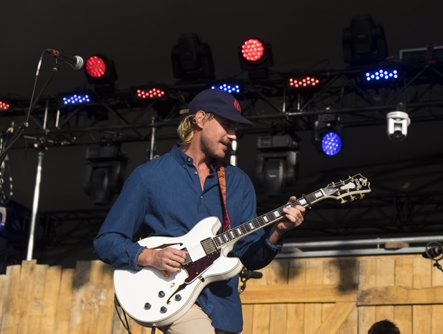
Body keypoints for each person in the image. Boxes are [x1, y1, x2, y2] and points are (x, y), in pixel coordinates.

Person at [93, 89, 306, 334]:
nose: (233, 136)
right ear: (200, 119)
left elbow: (249, 256)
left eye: (236, 129)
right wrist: (150, 256)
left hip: (224, 311)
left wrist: (277, 232)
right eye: (227, 125)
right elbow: (106, 241)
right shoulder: (149, 177)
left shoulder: (238, 184)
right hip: (174, 300)